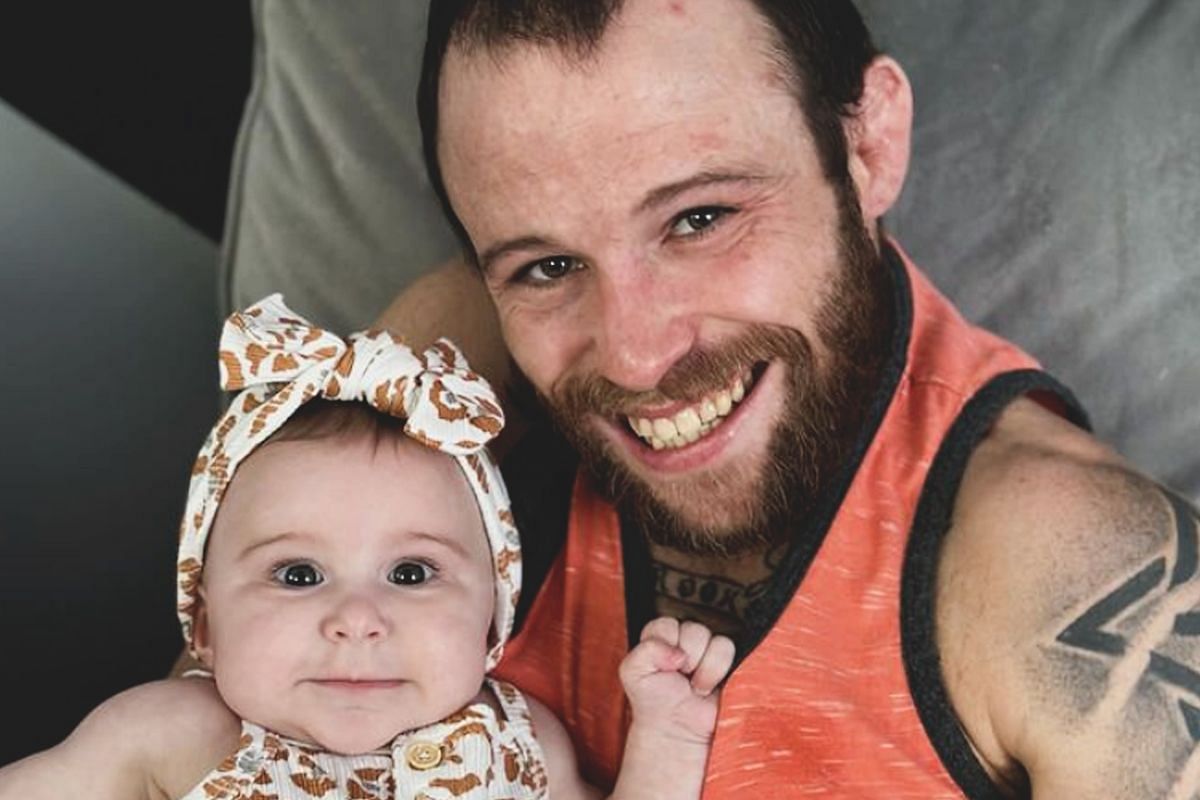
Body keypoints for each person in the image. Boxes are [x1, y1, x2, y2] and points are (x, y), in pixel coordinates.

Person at [369, 0, 1200, 797]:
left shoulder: (1086, 577)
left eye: (700, 218)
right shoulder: (452, 372)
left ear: (869, 144)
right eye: (548, 266)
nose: (636, 357)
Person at [0, 296, 734, 800]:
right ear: (205, 626)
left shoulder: (521, 741)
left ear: (490, 624)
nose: (357, 617)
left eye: (412, 572)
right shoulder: (168, 732)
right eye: (297, 573)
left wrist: (664, 740)